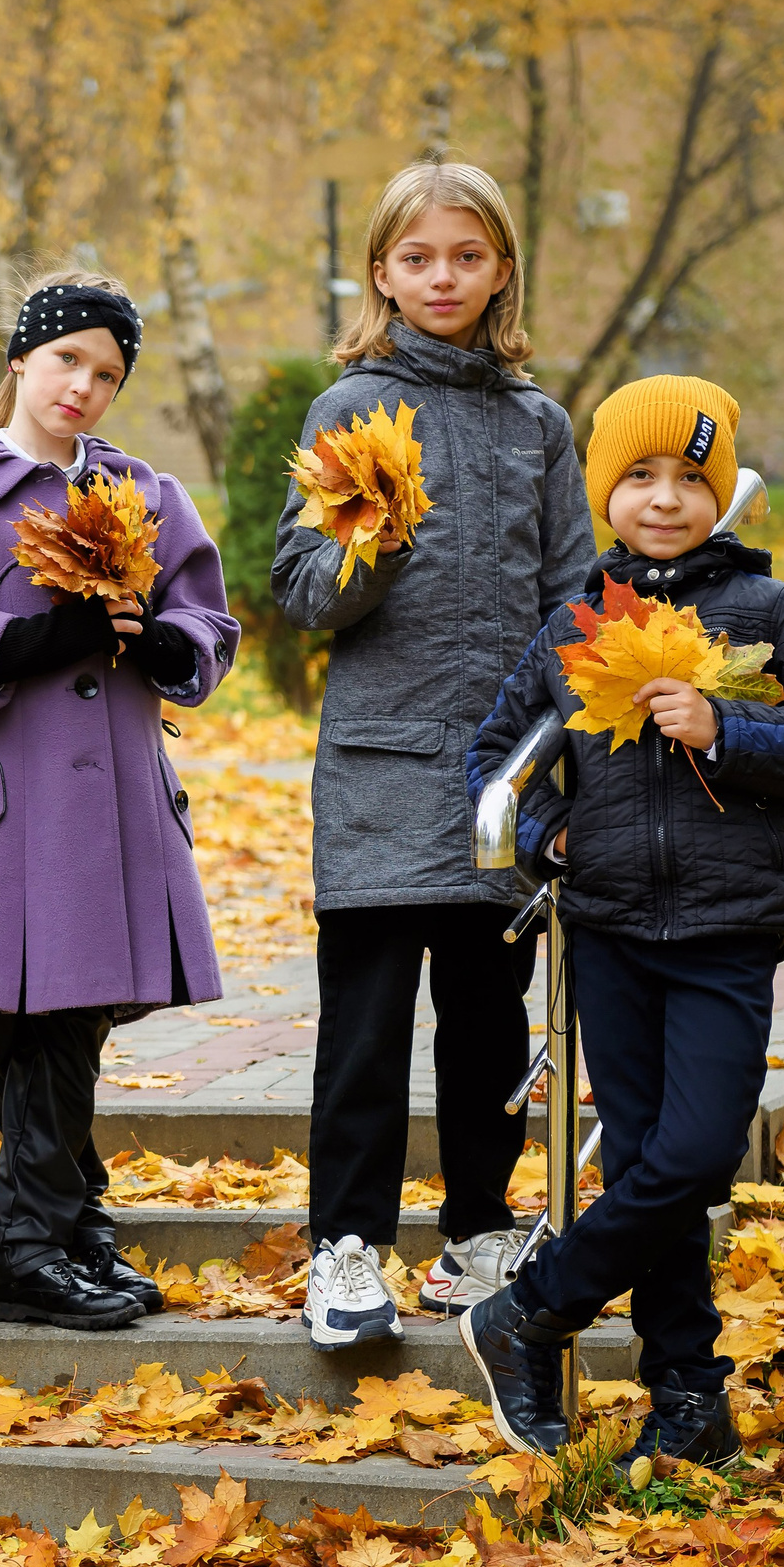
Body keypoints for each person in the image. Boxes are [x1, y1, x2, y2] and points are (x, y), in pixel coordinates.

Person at [461, 375, 784, 1466]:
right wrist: (547, 832)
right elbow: (494, 758)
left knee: (693, 1156)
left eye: (689, 478)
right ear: (606, 492)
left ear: (724, 491)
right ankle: (687, 1398)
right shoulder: (574, 623)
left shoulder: (769, 615)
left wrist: (726, 732)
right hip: (605, 931)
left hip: (727, 932)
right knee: (647, 1163)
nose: (663, 498)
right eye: (638, 477)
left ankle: (532, 1309)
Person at [270, 161, 595, 1350]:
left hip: (501, 777)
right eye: (418, 258)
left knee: (486, 1017)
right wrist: (376, 545)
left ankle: (474, 1232)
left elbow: (571, 600)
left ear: (502, 268)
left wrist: (567, 760)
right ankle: (346, 1248)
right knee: (361, 1025)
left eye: (466, 256)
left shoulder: (537, 424)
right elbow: (302, 591)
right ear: (381, 274)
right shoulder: (345, 410)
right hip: (375, 766)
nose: (442, 277)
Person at [0, 270, 239, 1332]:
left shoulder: (148, 496)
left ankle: (63, 1225)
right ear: (20, 360)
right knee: (33, 1011)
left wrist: (165, 641)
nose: (82, 386)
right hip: (9, 799)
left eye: (107, 374)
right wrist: (32, 641)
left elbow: (208, 626)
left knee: (70, 1010)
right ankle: (28, 1239)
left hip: (118, 799)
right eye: (67, 361)